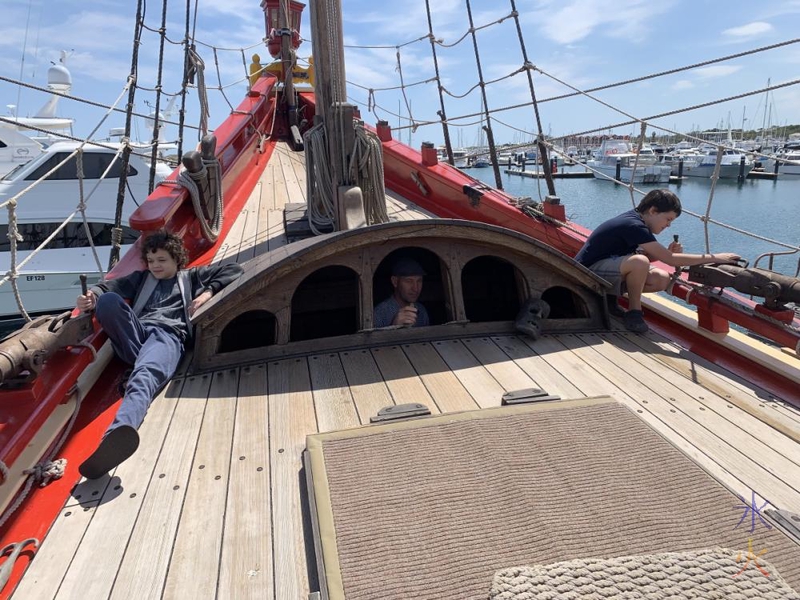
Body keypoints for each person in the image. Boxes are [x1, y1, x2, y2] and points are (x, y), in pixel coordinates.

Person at [76, 230, 243, 479]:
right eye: (151, 261)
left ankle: (117, 433)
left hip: (166, 336)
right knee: (109, 300)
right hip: (136, 335)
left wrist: (207, 293)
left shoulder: (192, 277)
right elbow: (107, 287)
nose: (155, 266)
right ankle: (138, 367)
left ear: (177, 259)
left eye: (162, 260)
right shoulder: (142, 279)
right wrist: (91, 298)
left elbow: (234, 270)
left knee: (143, 377)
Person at [575, 189, 740, 333]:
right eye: (668, 219)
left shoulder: (637, 221)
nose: (668, 225)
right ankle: (634, 312)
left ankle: (610, 298)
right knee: (639, 262)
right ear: (653, 211)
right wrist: (716, 257)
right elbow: (670, 260)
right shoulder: (633, 225)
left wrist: (666, 253)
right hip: (585, 275)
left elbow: (656, 257)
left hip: (602, 270)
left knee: (661, 279)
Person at [374, 257, 430, 328]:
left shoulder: (421, 311)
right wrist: (393, 326)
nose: (415, 289)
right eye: (409, 281)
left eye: (419, 281)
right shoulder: (379, 313)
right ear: (395, 282)